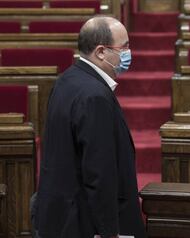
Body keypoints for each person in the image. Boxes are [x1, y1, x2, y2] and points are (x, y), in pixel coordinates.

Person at [31, 16, 147, 238]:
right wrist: (108, 231)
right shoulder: (94, 96)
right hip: (82, 222)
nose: (128, 53)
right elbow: (99, 171)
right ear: (101, 51)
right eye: (124, 47)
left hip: (60, 217)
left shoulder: (67, 80)